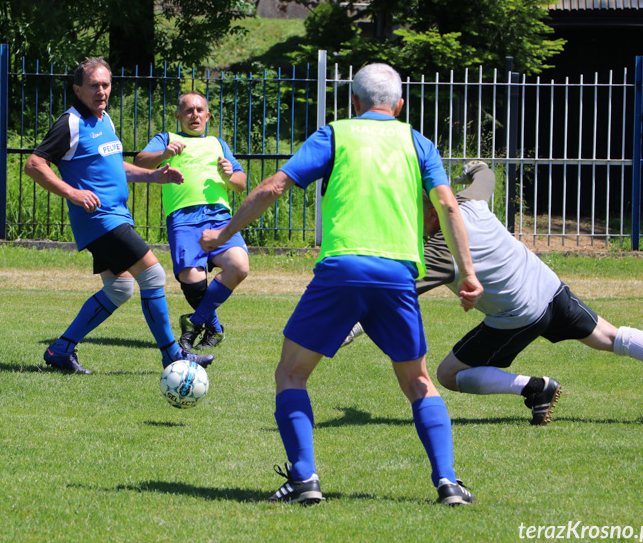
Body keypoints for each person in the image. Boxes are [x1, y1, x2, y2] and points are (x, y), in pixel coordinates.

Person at [200, 63, 484, 506]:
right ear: (400, 105)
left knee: (291, 373)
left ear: (354, 101)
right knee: (418, 382)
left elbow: (275, 187)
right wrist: (468, 273)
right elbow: (448, 205)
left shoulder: (335, 134)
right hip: (397, 275)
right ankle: (448, 483)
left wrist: (221, 235)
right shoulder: (418, 142)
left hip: (342, 270)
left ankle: (304, 480)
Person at [346, 161, 643, 425]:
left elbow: (392, 295)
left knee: (449, 374)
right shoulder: (468, 201)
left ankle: (536, 388)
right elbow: (486, 176)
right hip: (548, 285)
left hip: (520, 313)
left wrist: (351, 326)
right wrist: (475, 167)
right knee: (609, 337)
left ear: (432, 214)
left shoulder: (441, 250)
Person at [24, 57, 214, 374]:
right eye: (94, 85)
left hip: (116, 217)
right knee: (153, 275)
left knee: (120, 289)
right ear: (77, 89)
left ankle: (61, 350)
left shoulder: (105, 121)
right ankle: (173, 355)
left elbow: (116, 167)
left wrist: (153, 176)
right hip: (100, 220)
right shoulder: (70, 123)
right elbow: (35, 164)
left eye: (106, 84)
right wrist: (72, 192)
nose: (102, 91)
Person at [134, 92, 249, 352]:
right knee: (192, 280)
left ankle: (194, 322)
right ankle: (215, 328)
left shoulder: (218, 143)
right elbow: (139, 161)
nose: (194, 115)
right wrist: (163, 154)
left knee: (239, 267)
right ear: (178, 116)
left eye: (200, 111)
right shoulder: (167, 138)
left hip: (219, 217)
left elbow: (241, 184)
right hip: (183, 219)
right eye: (188, 110)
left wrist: (230, 175)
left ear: (207, 116)